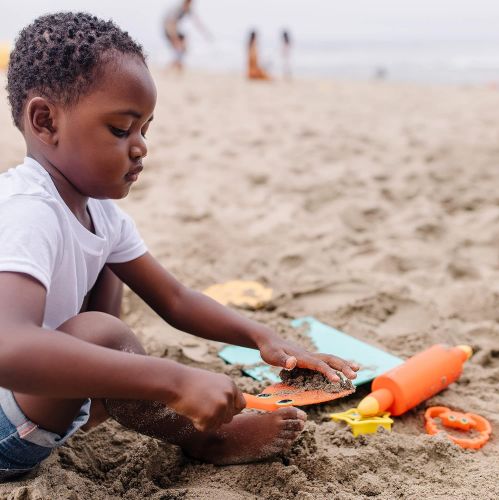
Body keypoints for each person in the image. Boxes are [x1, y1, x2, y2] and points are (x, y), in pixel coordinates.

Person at [0, 12, 359, 480]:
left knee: (110, 273)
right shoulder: (27, 210)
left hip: (33, 409)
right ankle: (206, 439)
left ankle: (103, 401)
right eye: (120, 129)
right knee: (102, 335)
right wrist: (175, 381)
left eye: (145, 129)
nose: (141, 147)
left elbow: (175, 298)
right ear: (46, 121)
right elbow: (8, 347)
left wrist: (266, 339)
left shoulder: (100, 211)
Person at [163, 0, 211, 70]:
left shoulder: (187, 9)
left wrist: (206, 34)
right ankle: (173, 67)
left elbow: (197, 23)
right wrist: (175, 39)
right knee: (179, 48)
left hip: (173, 29)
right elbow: (170, 24)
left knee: (182, 49)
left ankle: (177, 66)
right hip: (168, 29)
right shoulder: (178, 9)